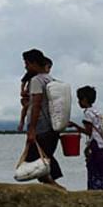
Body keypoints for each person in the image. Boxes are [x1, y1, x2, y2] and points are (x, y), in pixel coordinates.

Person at [21, 50, 64, 189]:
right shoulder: (50, 79)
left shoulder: (36, 80)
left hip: (41, 126)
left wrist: (32, 129)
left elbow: (37, 104)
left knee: (36, 160)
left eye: (27, 63)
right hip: (52, 126)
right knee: (44, 157)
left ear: (34, 63)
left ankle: (56, 188)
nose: (25, 67)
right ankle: (54, 186)